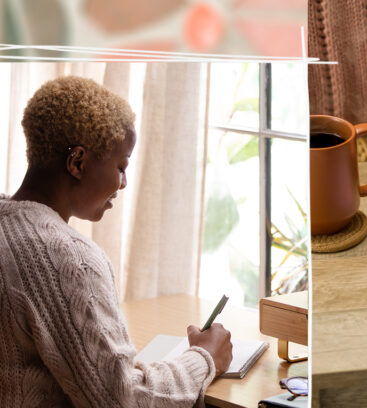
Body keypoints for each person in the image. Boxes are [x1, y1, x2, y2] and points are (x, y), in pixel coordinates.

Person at [0, 76, 233, 407]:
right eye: (121, 166)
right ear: (77, 162)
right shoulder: (68, 258)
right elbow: (123, 398)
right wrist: (204, 357)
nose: (123, 184)